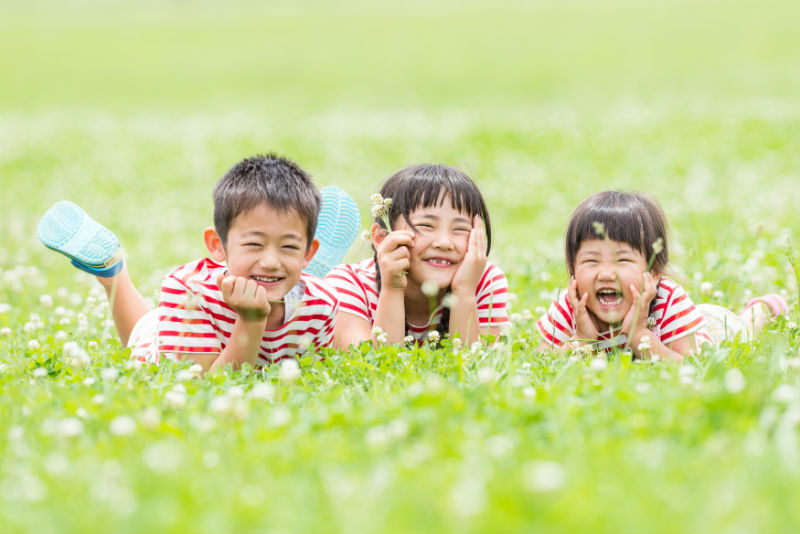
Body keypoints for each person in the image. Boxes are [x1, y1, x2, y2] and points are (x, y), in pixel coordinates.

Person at [38, 154, 360, 370]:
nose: (271, 260)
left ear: (309, 252)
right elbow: (206, 388)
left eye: (288, 247)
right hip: (172, 337)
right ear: (217, 246)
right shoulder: (186, 290)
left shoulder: (324, 303)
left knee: (309, 294)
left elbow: (311, 376)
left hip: (301, 303)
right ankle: (113, 271)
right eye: (254, 244)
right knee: (142, 329)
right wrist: (250, 320)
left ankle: (295, 280)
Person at [535, 190, 788, 361]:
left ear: (654, 272)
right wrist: (582, 340)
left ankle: (761, 309)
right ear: (572, 269)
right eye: (591, 261)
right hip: (678, 325)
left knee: (743, 332)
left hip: (707, 329)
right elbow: (542, 361)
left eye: (622, 260)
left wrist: (639, 335)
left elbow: (691, 367)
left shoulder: (667, 299)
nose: (606, 274)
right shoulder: (573, 304)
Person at [325, 163, 510, 347]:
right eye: (426, 226)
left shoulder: (483, 282)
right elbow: (373, 368)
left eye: (460, 228)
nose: (444, 242)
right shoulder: (348, 284)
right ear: (381, 237)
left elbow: (476, 364)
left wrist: (464, 292)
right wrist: (392, 289)